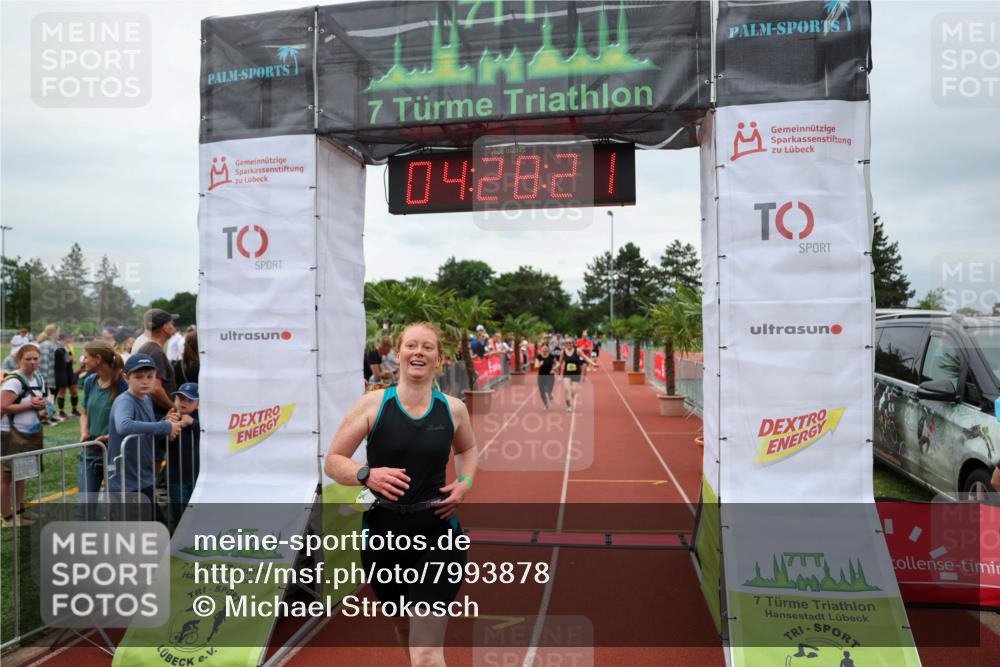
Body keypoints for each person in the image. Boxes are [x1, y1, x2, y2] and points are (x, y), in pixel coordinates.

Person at [324, 322, 478, 665]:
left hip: (438, 533)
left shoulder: (453, 409)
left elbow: (468, 450)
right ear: (399, 353)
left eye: (427, 347)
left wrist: (465, 483)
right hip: (383, 536)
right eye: (411, 346)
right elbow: (333, 461)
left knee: (426, 650)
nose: (418, 353)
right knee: (405, 629)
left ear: (439, 358)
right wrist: (366, 474)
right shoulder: (372, 405)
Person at [107, 354, 186, 523]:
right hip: (125, 482)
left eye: (150, 377)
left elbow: (146, 428)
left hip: (143, 476)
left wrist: (165, 422)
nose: (145, 381)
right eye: (138, 377)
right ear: (126, 377)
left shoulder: (147, 399)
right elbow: (124, 425)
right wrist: (164, 427)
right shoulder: (125, 401)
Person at [1, 344, 47, 527]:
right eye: (28, 358)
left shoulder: (39, 378)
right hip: (9, 433)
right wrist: (30, 406)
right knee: (5, 476)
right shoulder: (14, 381)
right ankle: (7, 516)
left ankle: (19, 510)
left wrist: (41, 406)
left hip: (30, 434)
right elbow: (3, 407)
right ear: (19, 360)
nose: (32, 362)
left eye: (35, 358)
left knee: (22, 473)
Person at [78, 341, 128, 499]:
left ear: (98, 359)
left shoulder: (122, 384)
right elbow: (84, 413)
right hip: (90, 453)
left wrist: (108, 437)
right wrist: (84, 432)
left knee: (116, 504)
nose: (83, 361)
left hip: (115, 455)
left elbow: (129, 419)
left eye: (86, 357)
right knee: (85, 508)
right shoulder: (90, 381)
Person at [167, 382, 200, 524]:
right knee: (180, 514)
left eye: (190, 400)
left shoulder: (203, 420)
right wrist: (166, 427)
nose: (184, 403)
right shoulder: (170, 419)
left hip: (197, 477)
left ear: (198, 404)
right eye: (180, 398)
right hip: (176, 477)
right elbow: (158, 443)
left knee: (197, 514)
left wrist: (193, 423)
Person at [137, 309, 178, 419]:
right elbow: (155, 388)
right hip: (159, 417)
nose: (173, 325)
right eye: (171, 323)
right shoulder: (157, 352)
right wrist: (174, 409)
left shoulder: (145, 348)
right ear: (165, 327)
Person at [558, 340, 597, 412]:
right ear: (565, 344)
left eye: (570, 343)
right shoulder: (562, 352)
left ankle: (570, 400)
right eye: (567, 343)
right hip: (567, 373)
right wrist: (555, 368)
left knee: (573, 391)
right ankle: (568, 405)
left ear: (573, 344)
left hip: (576, 373)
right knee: (567, 389)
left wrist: (593, 363)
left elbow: (585, 358)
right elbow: (560, 363)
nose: (569, 344)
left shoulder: (577, 351)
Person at [54, 332, 81, 419]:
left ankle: (74, 410)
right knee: (62, 391)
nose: (71, 339)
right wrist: (70, 359)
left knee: (74, 390)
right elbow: (66, 359)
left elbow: (73, 359)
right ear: (64, 338)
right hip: (61, 371)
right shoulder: (58, 346)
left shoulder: (70, 346)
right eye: (69, 337)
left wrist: (73, 359)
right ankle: (61, 412)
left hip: (70, 371)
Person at [534, 342, 558, 410]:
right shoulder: (538, 357)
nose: (544, 350)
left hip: (550, 375)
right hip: (541, 376)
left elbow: (557, 364)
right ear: (541, 349)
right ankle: (546, 404)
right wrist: (540, 364)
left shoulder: (551, 356)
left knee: (547, 389)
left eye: (546, 349)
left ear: (548, 349)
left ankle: (550, 395)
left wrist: (554, 369)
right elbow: (535, 366)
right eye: (543, 349)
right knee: (542, 392)